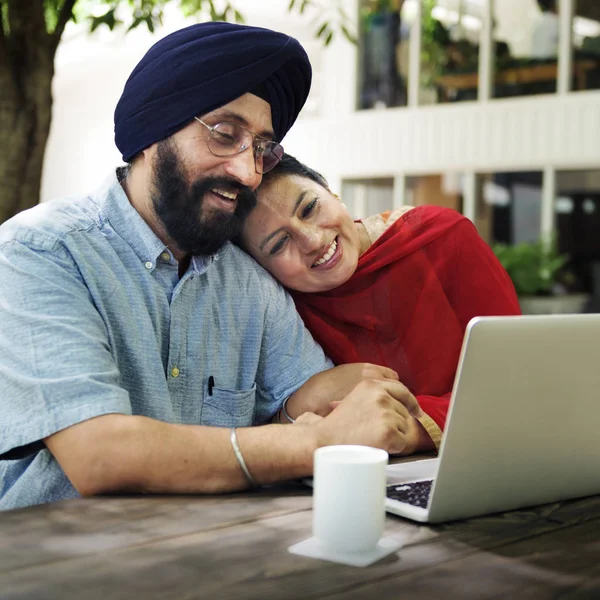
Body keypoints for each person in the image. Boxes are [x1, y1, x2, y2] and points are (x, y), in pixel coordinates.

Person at [0, 23, 425, 510]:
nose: (248, 173)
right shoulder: (39, 252)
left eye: (262, 149)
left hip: (219, 558)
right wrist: (315, 442)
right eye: (225, 135)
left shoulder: (245, 278)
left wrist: (337, 403)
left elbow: (311, 400)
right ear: (152, 131)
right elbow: (99, 455)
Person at [239, 154, 522, 450]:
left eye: (309, 208)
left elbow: (517, 376)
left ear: (330, 191)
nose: (312, 241)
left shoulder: (442, 238)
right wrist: (303, 401)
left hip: (491, 451)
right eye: (280, 243)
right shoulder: (279, 311)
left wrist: (412, 430)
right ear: (260, 267)